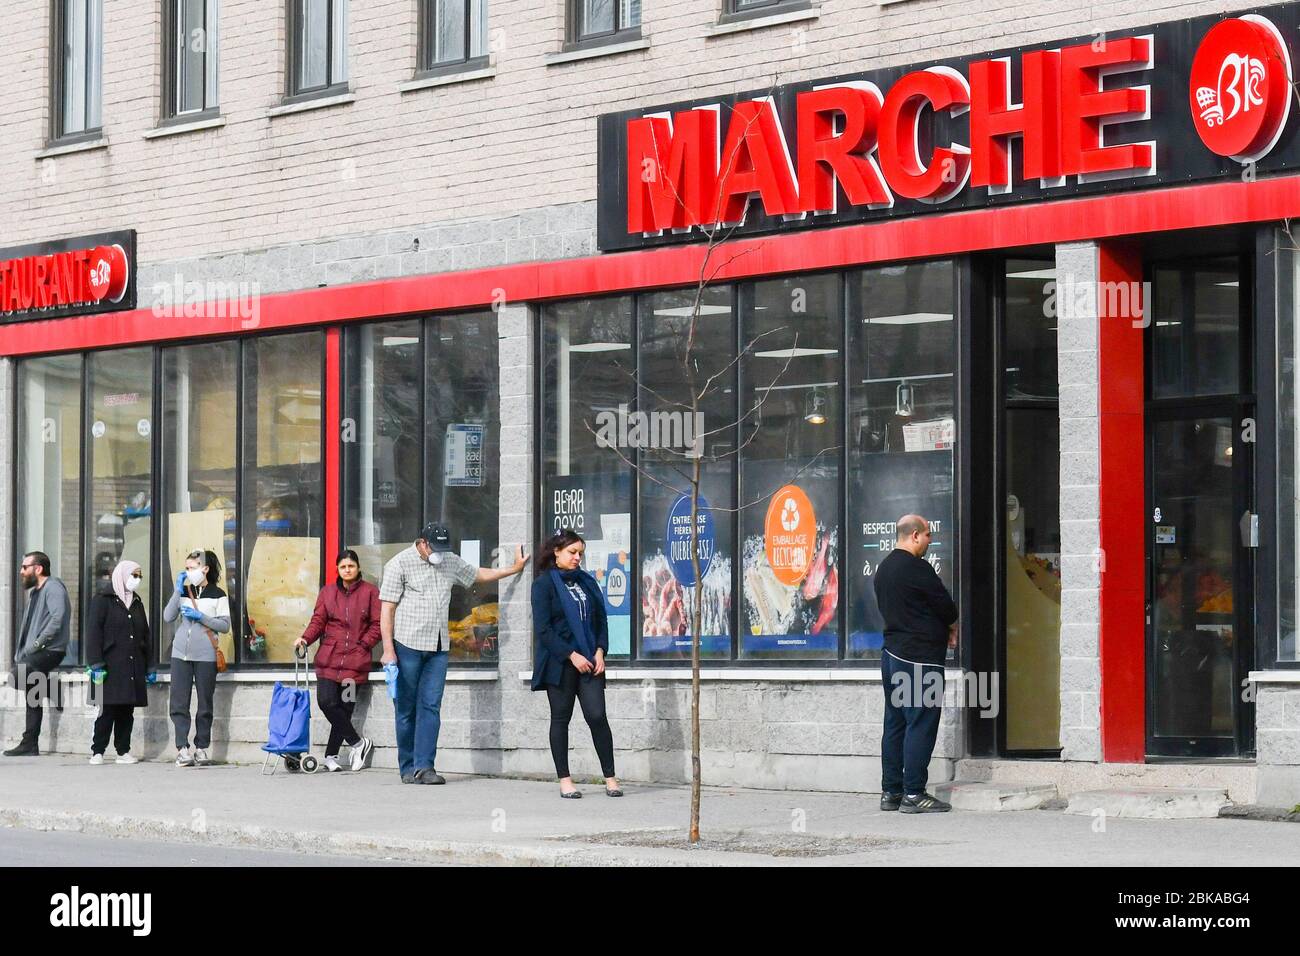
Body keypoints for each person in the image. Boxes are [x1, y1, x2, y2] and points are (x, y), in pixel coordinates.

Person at [379, 522, 528, 784]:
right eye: (434, 547)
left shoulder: (448, 560)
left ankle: (425, 767)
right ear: (423, 543)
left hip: (438, 647)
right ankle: (407, 765)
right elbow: (387, 610)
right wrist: (388, 650)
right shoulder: (398, 564)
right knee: (406, 708)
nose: (439, 552)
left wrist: (513, 569)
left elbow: (476, 574)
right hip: (408, 644)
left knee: (431, 706)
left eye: (443, 548)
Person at [873, 514, 958, 814]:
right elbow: (946, 606)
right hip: (919, 659)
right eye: (927, 535)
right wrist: (950, 625)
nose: (930, 541)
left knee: (895, 724)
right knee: (921, 723)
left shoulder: (883, 569)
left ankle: (891, 792)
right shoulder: (917, 568)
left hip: (892, 656)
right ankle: (914, 794)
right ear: (914, 535)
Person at [531, 530, 621, 799]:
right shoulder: (544, 585)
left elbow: (601, 620)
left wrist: (600, 651)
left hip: (590, 660)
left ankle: (610, 778)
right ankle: (565, 781)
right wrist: (571, 655)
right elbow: (544, 630)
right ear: (556, 552)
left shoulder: (588, 582)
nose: (577, 558)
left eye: (580, 553)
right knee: (561, 718)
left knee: (597, 716)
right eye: (572, 552)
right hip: (560, 663)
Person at [294, 550, 381, 772]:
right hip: (328, 662)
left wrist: (363, 645)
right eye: (343, 567)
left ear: (358, 568)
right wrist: (305, 638)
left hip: (355, 665)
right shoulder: (328, 592)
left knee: (345, 707)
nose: (347, 570)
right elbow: (318, 621)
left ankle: (331, 756)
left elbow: (378, 624)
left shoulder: (370, 593)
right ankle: (359, 744)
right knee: (326, 702)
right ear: (338, 569)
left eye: (351, 566)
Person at [164, 549, 231, 767]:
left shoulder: (218, 594)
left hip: (206, 655)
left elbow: (224, 625)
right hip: (180, 654)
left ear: (205, 569)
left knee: (205, 703)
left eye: (192, 568)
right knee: (179, 702)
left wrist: (201, 616)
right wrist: (176, 591)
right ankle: (182, 748)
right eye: (186, 568)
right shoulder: (184, 592)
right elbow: (168, 616)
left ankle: (201, 748)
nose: (189, 572)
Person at [4, 552, 71, 757]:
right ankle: (30, 743)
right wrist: (22, 652)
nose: (21, 571)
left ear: (38, 569)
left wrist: (35, 644)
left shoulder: (53, 588)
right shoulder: (35, 592)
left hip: (50, 651)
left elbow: (57, 619)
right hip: (34, 652)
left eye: (25, 567)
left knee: (17, 676)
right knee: (32, 696)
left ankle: (51, 687)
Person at [85, 560, 151, 765]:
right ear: (122, 575)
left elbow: (145, 635)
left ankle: (123, 751)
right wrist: (95, 663)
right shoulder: (102, 600)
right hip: (109, 665)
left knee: (126, 711)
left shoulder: (137, 602)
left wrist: (150, 666)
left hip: (132, 665)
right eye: (134, 575)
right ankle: (98, 750)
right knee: (107, 710)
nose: (137, 580)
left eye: (139, 576)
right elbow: (93, 633)